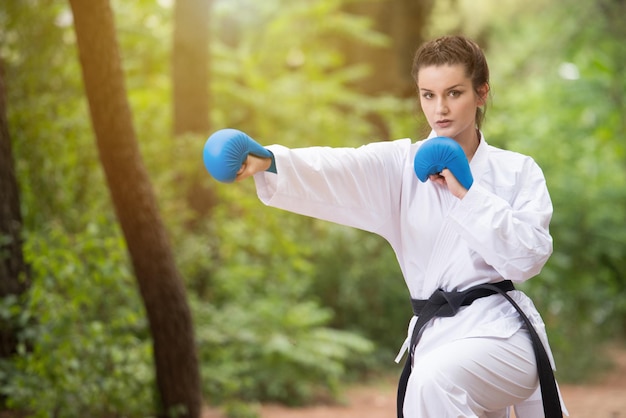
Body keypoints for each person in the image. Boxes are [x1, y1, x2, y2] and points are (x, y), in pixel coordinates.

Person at [209, 35, 568, 417]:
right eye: (428, 95)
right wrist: (270, 160)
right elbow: (340, 169)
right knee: (427, 386)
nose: (440, 109)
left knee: (430, 383)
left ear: (481, 93)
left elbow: (528, 258)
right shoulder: (400, 167)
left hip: (503, 335)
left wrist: (468, 194)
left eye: (454, 93)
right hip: (439, 341)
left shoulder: (517, 170)